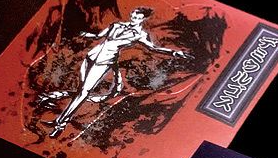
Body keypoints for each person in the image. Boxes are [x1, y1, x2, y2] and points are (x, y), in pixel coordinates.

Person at [48, 7, 189, 137]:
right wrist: (83, 33)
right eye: (133, 15)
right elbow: (98, 36)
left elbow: (153, 48)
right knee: (81, 91)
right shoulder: (116, 25)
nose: (134, 18)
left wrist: (174, 53)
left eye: (138, 17)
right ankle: (59, 120)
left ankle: (60, 124)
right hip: (91, 56)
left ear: (143, 19)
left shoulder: (140, 35)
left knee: (84, 92)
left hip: (105, 61)